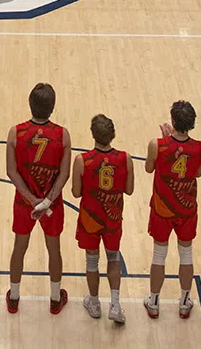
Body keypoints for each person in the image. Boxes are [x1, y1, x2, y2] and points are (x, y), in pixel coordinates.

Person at [6, 82, 72, 315]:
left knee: (19, 247)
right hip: (52, 204)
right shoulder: (62, 134)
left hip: (24, 203)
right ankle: (55, 298)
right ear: (52, 107)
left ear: (29, 104)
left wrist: (32, 200)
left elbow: (11, 172)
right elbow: (64, 174)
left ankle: (14, 297)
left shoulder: (15, 132)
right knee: (54, 250)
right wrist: (46, 202)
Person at [145, 100, 201, 320]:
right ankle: (184, 300)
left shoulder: (157, 144)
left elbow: (149, 168)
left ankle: (154, 301)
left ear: (172, 121)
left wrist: (166, 141)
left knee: (159, 254)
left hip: (162, 208)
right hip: (186, 209)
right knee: (186, 254)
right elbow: (198, 173)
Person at [73, 114, 135, 324]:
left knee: (92, 260)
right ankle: (115, 305)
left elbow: (76, 192)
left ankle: (94, 303)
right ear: (113, 134)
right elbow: (129, 190)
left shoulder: (82, 160)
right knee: (113, 258)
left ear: (93, 134)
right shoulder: (125, 158)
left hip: (90, 218)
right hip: (112, 218)